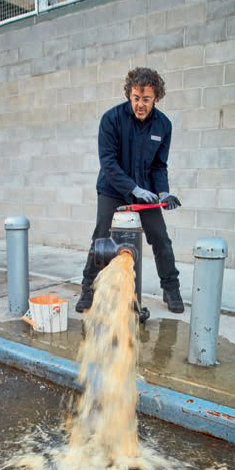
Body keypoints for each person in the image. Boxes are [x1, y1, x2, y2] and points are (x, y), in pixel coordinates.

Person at [76, 67, 184, 314]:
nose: (140, 104)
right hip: (112, 189)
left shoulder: (163, 125)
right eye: (136, 98)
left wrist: (163, 193)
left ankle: (171, 288)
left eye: (146, 99)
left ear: (156, 97)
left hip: (145, 192)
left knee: (161, 238)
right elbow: (109, 164)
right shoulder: (111, 119)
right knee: (101, 237)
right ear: (129, 95)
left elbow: (158, 165)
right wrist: (133, 188)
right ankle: (88, 289)